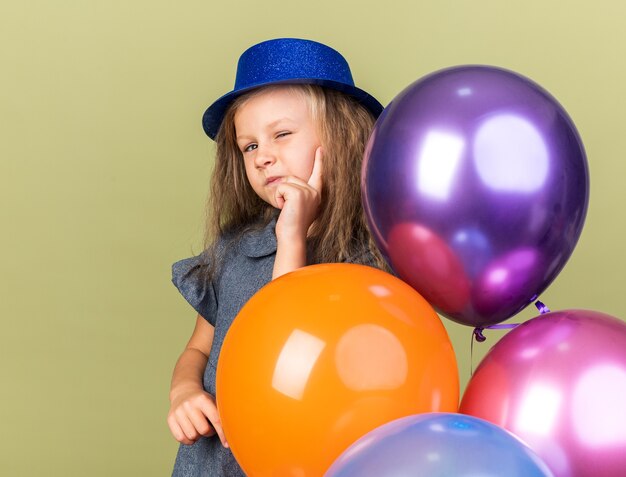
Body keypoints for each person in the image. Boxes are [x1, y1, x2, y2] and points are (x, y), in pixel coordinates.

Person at [166, 37, 389, 476]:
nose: (263, 157)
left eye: (282, 134)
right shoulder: (236, 249)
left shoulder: (370, 265)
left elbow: (283, 344)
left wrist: (293, 240)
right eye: (249, 147)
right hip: (215, 463)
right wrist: (184, 391)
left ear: (343, 135)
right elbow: (198, 348)